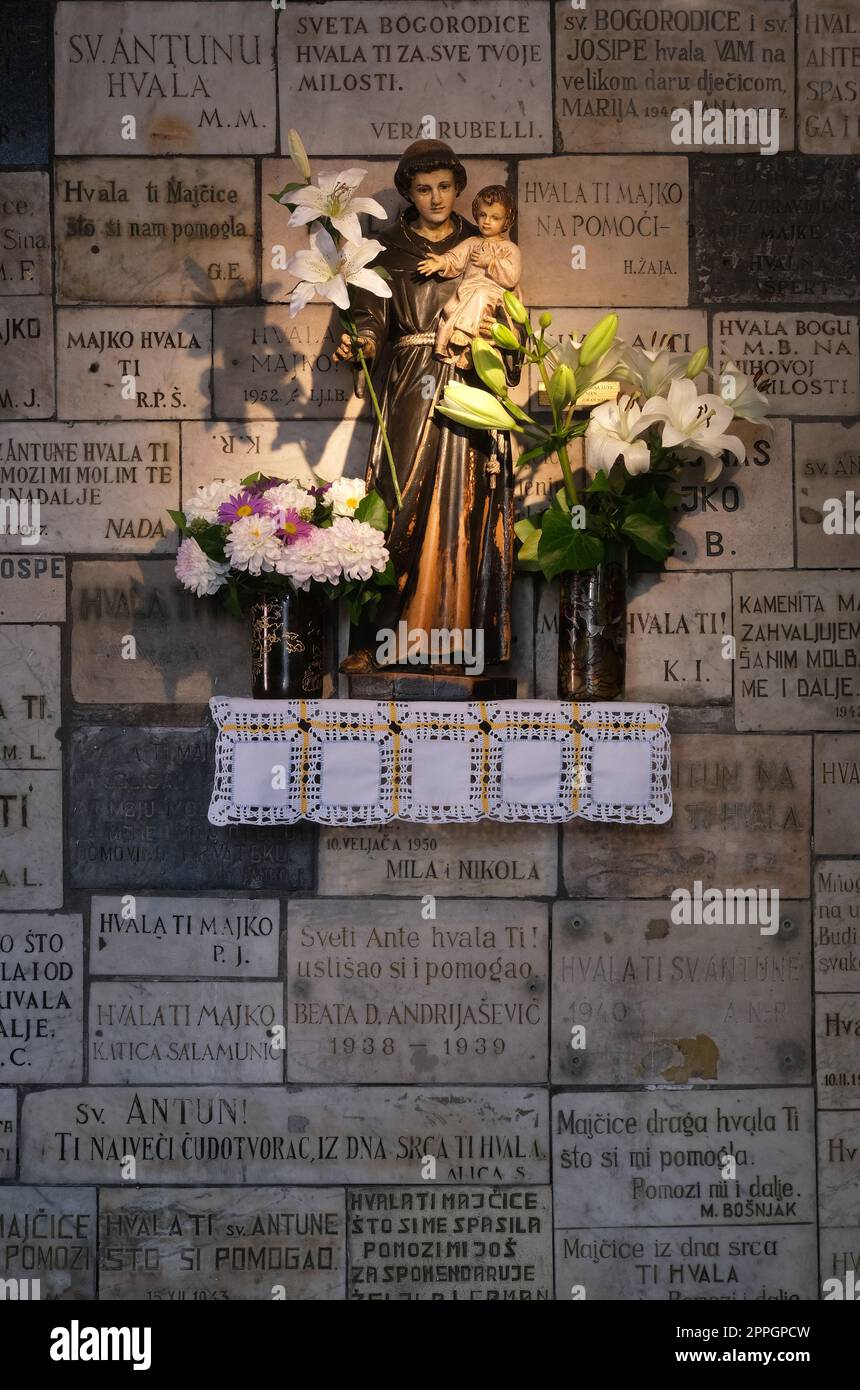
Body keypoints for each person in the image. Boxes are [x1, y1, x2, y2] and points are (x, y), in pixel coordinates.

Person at [333, 140, 520, 674]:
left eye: (444, 186)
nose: (435, 197)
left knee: (466, 502)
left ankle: (458, 642)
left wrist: (498, 334)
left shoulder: (483, 241)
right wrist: (361, 342)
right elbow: (370, 317)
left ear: (458, 188)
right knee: (400, 496)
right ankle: (383, 638)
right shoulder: (385, 249)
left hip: (470, 380)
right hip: (413, 382)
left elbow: (511, 309)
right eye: (423, 188)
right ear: (408, 193)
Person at [417, 185, 521, 368]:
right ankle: (468, 354)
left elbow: (512, 277)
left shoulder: (509, 249)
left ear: (506, 221)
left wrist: (491, 261)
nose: (487, 222)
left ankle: (465, 334)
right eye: (483, 215)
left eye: (495, 218)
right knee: (472, 299)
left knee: (481, 295)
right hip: (468, 294)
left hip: (494, 297)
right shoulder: (472, 243)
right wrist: (440, 263)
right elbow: (455, 258)